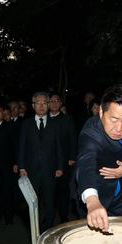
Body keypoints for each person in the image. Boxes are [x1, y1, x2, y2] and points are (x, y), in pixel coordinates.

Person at [75, 85, 122, 232]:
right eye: (113, 119)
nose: (118, 128)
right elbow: (86, 164)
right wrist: (92, 201)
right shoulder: (91, 132)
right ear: (100, 112)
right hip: (97, 194)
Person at [17, 92, 64, 231]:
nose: (42, 105)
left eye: (45, 103)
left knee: (50, 201)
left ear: (49, 105)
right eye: (38, 103)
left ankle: (49, 229)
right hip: (31, 170)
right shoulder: (26, 124)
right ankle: (34, 229)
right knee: (32, 201)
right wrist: (21, 166)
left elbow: (59, 147)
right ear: (33, 106)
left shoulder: (55, 124)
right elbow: (21, 146)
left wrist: (60, 166)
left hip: (50, 170)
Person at [49, 93, 77, 222]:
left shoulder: (67, 119)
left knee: (63, 190)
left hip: (65, 160)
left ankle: (63, 216)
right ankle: (49, 215)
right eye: (51, 101)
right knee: (49, 190)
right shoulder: (44, 120)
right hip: (48, 161)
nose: (54, 103)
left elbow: (72, 139)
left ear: (61, 104)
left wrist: (72, 157)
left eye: (56, 101)